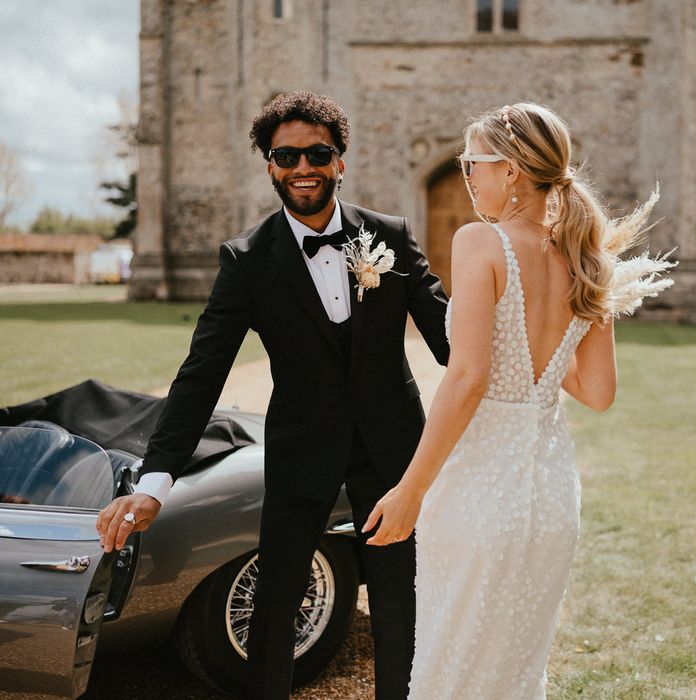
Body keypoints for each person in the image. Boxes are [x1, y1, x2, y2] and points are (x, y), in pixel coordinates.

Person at [96, 91, 449, 700]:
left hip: (394, 453)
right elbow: (201, 373)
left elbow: (451, 342)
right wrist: (155, 483)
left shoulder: (391, 236)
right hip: (300, 453)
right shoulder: (246, 261)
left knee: (400, 598)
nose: (303, 167)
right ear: (270, 165)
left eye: (318, 153)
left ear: (340, 161)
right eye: (287, 156)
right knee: (276, 601)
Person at [362, 102, 674, 699]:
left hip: (480, 490)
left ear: (510, 171)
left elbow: (467, 377)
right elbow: (598, 393)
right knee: (514, 670)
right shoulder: (587, 258)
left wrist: (411, 490)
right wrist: (543, 351)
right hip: (551, 499)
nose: (466, 174)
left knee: (451, 662)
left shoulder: (481, 241)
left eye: (471, 161)